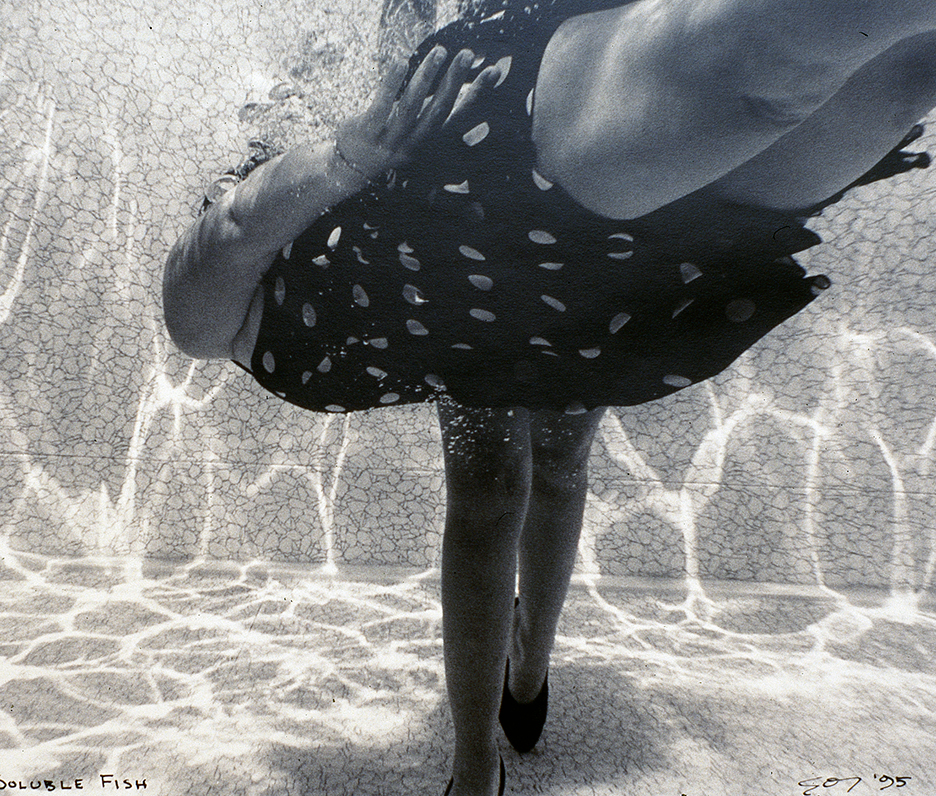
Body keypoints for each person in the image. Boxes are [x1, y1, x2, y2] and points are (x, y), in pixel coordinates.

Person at [163, 1, 936, 793]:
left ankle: (525, 675)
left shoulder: (321, 215)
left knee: (774, 93)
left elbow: (234, 226)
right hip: (560, 304)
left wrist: (346, 153)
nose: (238, 196)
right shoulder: (235, 311)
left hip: (493, 181)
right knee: (908, 71)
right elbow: (226, 235)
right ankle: (481, 751)